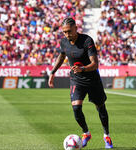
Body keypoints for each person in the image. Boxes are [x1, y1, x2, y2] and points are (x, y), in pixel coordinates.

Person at [48, 17, 113, 149]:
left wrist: (82, 68)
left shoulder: (87, 40)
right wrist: (53, 72)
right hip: (77, 79)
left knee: (100, 107)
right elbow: (62, 56)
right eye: (64, 32)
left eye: (69, 31)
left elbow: (95, 64)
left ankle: (106, 136)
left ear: (76, 28)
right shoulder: (64, 42)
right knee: (76, 108)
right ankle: (86, 133)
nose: (67, 34)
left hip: (92, 79)